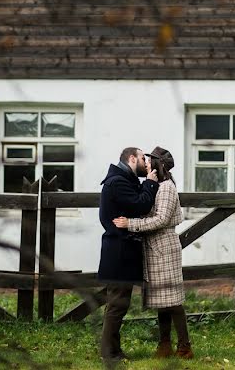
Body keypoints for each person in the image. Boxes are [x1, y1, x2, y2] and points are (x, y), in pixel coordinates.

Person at [113, 146, 193, 360]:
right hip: (154, 248)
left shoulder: (166, 188)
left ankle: (184, 347)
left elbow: (161, 220)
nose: (146, 162)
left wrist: (131, 224)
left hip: (164, 247)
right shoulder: (156, 185)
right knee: (162, 300)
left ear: (159, 164)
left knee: (173, 300)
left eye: (149, 160)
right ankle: (164, 345)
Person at [98, 146, 160, 363]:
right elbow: (140, 205)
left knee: (117, 304)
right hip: (119, 252)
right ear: (132, 158)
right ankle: (108, 353)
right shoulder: (118, 182)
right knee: (117, 305)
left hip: (121, 250)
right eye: (143, 158)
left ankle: (114, 350)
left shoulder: (122, 180)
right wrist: (151, 183)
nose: (146, 163)